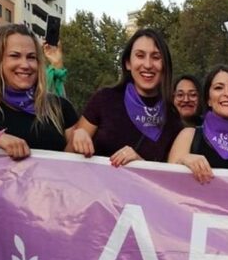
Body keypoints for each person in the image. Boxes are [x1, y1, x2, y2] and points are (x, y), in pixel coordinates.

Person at [69, 28, 182, 165]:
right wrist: (78, 136)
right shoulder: (105, 99)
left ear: (165, 65)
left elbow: (169, 175)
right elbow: (66, 159)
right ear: (128, 63)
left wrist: (140, 164)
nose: (148, 65)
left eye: (156, 57)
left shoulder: (172, 117)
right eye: (140, 56)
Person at [0, 24, 77, 159]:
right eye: (15, 56)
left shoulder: (61, 108)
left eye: (31, 57)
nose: (25, 65)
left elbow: (74, 166)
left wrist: (81, 138)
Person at [168, 65, 228, 183]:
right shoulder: (189, 136)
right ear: (208, 99)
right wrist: (182, 161)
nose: (227, 93)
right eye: (219, 88)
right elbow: (166, 184)